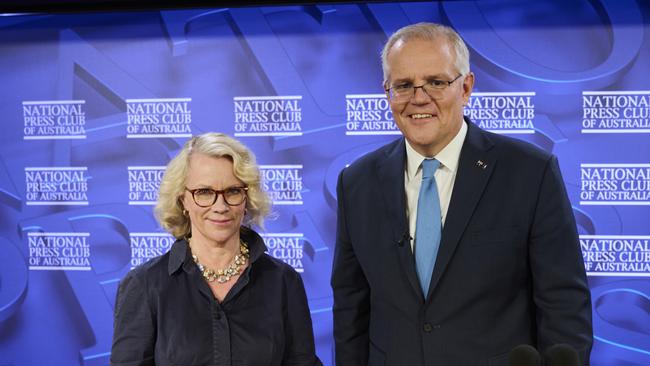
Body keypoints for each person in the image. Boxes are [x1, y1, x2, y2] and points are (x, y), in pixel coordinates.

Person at [331, 22, 592, 365]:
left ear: (466, 87)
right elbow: (351, 306)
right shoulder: (357, 183)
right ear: (387, 92)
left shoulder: (529, 172)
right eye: (404, 85)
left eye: (436, 82)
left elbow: (563, 305)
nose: (419, 98)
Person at [111, 133, 322, 366]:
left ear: (246, 198)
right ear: (183, 200)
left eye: (232, 191)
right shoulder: (145, 285)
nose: (220, 206)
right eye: (204, 192)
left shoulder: (282, 281)